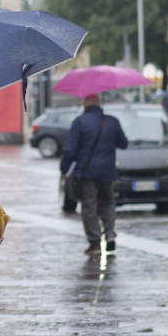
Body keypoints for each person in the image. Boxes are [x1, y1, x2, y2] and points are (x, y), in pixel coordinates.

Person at [60, 94, 128, 255]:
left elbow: (70, 150)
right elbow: (123, 143)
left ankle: (95, 243)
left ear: (85, 104)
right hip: (108, 172)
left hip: (87, 172)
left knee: (89, 206)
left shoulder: (80, 122)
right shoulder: (112, 121)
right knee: (108, 202)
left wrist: (64, 169)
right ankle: (110, 234)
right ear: (99, 103)